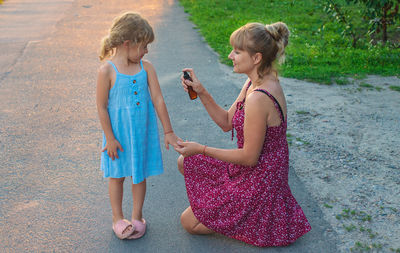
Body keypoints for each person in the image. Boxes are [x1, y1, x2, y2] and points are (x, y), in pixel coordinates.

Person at [175, 22, 311, 247]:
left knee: (189, 222)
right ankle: (225, 203)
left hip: (260, 181)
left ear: (256, 58)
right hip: (249, 170)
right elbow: (226, 122)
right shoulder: (254, 82)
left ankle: (249, 217)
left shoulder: (259, 97)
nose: (230, 55)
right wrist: (200, 91)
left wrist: (201, 149)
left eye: (237, 52)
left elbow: (249, 158)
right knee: (185, 161)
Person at [96, 12, 180, 240]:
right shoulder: (107, 71)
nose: (146, 51)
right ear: (127, 44)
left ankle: (136, 216)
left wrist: (169, 131)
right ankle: (117, 218)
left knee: (139, 175)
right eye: (143, 46)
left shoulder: (147, 68)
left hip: (141, 135)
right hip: (118, 138)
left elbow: (158, 99)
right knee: (117, 176)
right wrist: (109, 138)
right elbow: (101, 107)